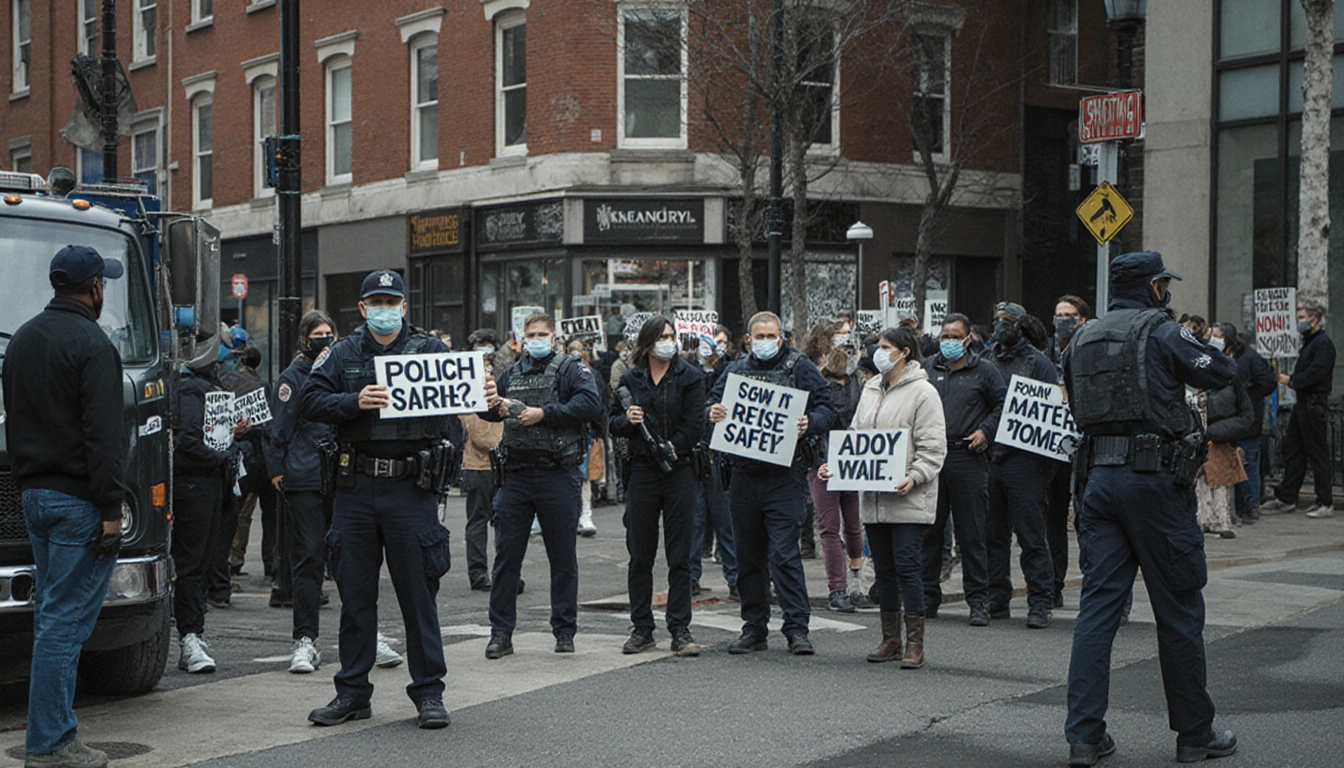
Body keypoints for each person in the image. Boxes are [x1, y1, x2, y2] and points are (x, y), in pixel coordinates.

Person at [1064, 251, 1238, 766]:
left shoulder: (1081, 338)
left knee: (1097, 611)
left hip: (1098, 483)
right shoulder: (1161, 331)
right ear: (1153, 288)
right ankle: (1194, 734)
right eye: (1164, 284)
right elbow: (1221, 371)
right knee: (1179, 609)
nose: (1167, 292)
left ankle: (1085, 736)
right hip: (1155, 483)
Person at [300, 270, 457, 730]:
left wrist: (489, 398)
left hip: (412, 489)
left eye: (393, 301)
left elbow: (468, 401)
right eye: (376, 302)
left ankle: (429, 693)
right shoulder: (342, 353)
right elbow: (309, 400)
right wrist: (354, 401)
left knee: (418, 597)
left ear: (404, 307)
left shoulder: (430, 352)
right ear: (363, 309)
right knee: (355, 597)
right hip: (356, 488)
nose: (385, 309)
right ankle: (352, 692)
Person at [3, 246, 127, 768]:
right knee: (64, 621)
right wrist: (112, 507)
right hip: (79, 500)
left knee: (52, 617)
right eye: (104, 284)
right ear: (94, 287)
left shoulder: (24, 339)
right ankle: (51, 742)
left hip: (33, 494)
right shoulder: (94, 344)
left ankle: (53, 734)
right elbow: (104, 436)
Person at [707, 311, 835, 656]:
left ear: (782, 337)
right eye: (759, 336)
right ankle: (754, 628)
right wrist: (713, 412)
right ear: (748, 339)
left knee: (784, 554)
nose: (766, 341)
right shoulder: (734, 369)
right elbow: (712, 403)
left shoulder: (799, 367)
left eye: (772, 336)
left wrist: (811, 422)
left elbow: (827, 407)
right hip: (745, 476)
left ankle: (797, 629)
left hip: (785, 477)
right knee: (749, 557)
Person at [819, 326, 946, 668]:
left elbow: (933, 448)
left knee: (908, 568)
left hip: (907, 497)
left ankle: (915, 644)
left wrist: (914, 477)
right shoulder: (872, 387)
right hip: (874, 499)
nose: (880, 351)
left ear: (905, 351)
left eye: (887, 346)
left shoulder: (923, 393)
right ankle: (891, 639)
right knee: (885, 571)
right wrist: (836, 465)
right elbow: (856, 436)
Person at [482, 312, 603, 659]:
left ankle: (564, 631)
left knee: (562, 557)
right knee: (506, 557)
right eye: (530, 334)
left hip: (557, 474)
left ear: (554, 337)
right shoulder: (512, 373)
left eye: (541, 334)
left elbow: (589, 404)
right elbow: (491, 412)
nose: (535, 339)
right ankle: (500, 633)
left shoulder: (571, 369)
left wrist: (544, 414)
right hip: (517, 475)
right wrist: (489, 402)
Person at [609, 315, 707, 656]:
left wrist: (672, 447)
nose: (669, 342)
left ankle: (680, 629)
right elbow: (612, 422)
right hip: (642, 471)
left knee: (679, 555)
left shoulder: (690, 376)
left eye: (672, 336)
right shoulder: (631, 379)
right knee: (640, 554)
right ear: (648, 343)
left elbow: (695, 424)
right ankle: (642, 628)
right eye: (662, 337)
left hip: (678, 469)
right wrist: (627, 421)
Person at [267, 310, 339, 674]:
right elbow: (278, 429)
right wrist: (277, 470)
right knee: (309, 558)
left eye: (329, 332)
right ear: (304, 338)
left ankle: (367, 635)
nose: (324, 338)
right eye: (318, 333)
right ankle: (305, 639)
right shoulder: (292, 378)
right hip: (305, 476)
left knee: (350, 558)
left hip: (338, 476)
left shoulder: (340, 370)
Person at [921, 312, 1004, 625]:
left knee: (971, 534)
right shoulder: (928, 368)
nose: (949, 342)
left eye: (956, 336)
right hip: (932, 458)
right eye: (945, 336)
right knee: (929, 532)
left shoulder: (984, 370)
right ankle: (928, 599)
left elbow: (1002, 405)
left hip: (967, 457)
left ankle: (978, 602)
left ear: (968, 339)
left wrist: (986, 430)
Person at [985, 302, 1060, 628]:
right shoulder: (987, 360)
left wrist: (1042, 470)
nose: (1001, 325)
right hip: (990, 459)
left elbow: (1051, 416)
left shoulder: (1038, 363)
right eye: (997, 320)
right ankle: (996, 598)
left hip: (1025, 464)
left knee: (1031, 537)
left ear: (1020, 325)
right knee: (993, 535)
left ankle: (1040, 602)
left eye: (1008, 321)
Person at [173, 351, 246, 676]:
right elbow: (188, 440)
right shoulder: (192, 389)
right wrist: (222, 454)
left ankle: (192, 634)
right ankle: (190, 637)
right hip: (197, 485)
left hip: (206, 484)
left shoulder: (198, 387)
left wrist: (230, 438)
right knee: (193, 564)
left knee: (199, 563)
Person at [803, 321, 867, 613]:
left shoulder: (860, 379)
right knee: (829, 528)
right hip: (824, 463)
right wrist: (819, 460)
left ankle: (856, 581)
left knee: (854, 526)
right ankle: (837, 589)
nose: (845, 340)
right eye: (840, 335)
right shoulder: (813, 380)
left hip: (854, 461)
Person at [1262, 301, 1337, 519]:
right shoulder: (1310, 343)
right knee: (1293, 451)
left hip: (1314, 404)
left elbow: (1316, 373)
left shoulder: (1323, 344)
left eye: (1303, 317)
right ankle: (1287, 497)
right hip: (1303, 404)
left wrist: (1291, 380)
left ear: (1315, 320)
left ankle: (1325, 501)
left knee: (1317, 453)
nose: (1299, 321)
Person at [213, 345, 273, 609]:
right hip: (263, 459)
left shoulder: (224, 382)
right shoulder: (259, 385)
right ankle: (272, 564)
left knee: (240, 514)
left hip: (245, 460)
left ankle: (232, 564)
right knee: (268, 516)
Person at [1046, 295, 1092, 605]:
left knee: (1090, 522)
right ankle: (1053, 586)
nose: (1064, 319)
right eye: (1059, 314)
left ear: (1083, 319)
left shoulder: (1092, 351)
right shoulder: (1044, 357)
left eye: (1071, 315)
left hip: (1087, 451)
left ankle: (1097, 589)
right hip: (1053, 453)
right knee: (1052, 523)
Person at [1188, 331, 1253, 539]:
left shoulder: (1233, 383)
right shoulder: (1195, 383)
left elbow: (1246, 416)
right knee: (1201, 481)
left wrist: (1215, 432)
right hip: (1201, 440)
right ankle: (1203, 519)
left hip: (1220, 441)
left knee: (1221, 482)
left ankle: (1221, 520)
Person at [691, 324, 739, 599]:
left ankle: (734, 579)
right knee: (694, 522)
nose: (714, 347)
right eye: (708, 342)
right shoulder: (689, 372)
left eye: (719, 342)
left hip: (721, 456)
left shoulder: (731, 371)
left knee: (726, 523)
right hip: (696, 455)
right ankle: (690, 578)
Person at [1217, 323, 1277, 525]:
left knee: (1247, 463)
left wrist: (1250, 393)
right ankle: (1246, 505)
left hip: (1246, 420)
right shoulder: (1232, 357)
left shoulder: (1248, 358)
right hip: (1237, 419)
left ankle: (1250, 506)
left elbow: (1267, 383)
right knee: (1243, 463)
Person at [459, 329, 505, 592]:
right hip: (479, 465)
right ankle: (478, 574)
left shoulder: (502, 378)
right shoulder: (468, 383)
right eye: (480, 347)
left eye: (489, 347)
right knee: (478, 521)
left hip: (501, 464)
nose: (485, 353)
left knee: (505, 521)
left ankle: (504, 571)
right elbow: (476, 431)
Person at [567, 337, 604, 537]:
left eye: (579, 349)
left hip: (586, 432)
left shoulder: (593, 375)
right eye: (572, 349)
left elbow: (600, 405)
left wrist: (599, 432)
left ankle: (585, 516)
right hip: (566, 431)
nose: (576, 353)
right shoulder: (560, 373)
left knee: (585, 477)